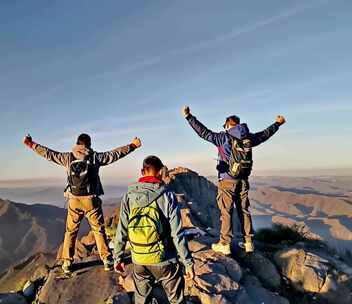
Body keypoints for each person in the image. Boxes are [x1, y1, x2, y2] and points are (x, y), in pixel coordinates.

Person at [23, 133, 142, 273]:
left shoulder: (67, 157)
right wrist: (132, 146)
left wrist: (32, 144)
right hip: (91, 200)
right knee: (98, 230)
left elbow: (49, 154)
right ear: (89, 145)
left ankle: (67, 263)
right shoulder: (95, 157)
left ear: (77, 144)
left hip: (74, 200)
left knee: (70, 231)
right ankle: (107, 260)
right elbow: (114, 154)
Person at [182, 106, 286, 254]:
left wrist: (189, 117)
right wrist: (277, 124)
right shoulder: (248, 138)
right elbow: (264, 135)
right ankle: (249, 242)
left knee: (226, 211)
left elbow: (203, 132)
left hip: (227, 181)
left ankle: (224, 243)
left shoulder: (223, 137)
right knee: (244, 210)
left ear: (228, 124)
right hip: (243, 180)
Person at [113, 155, 195, 304]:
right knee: (176, 299)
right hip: (165, 260)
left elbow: (122, 230)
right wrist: (188, 263)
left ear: (142, 171)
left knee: (142, 299)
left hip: (139, 259)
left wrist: (117, 258)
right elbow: (177, 234)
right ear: (159, 172)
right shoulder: (168, 196)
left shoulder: (128, 196)